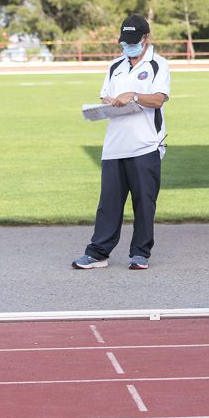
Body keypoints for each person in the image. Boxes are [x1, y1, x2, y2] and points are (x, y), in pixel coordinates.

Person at [72, 14, 169, 271]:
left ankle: (140, 254)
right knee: (108, 204)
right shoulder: (115, 66)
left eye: (133, 41)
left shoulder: (158, 64)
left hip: (145, 144)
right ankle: (97, 253)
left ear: (146, 38)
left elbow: (159, 99)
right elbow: (105, 95)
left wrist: (133, 95)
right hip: (114, 145)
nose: (128, 46)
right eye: (125, 42)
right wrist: (107, 103)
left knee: (144, 202)